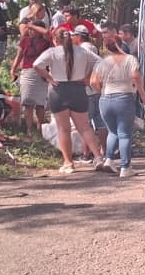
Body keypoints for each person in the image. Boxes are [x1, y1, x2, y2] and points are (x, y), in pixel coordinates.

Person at [34, 28, 105, 174]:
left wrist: (48, 78)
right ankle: (98, 157)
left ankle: (68, 162)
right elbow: (100, 61)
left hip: (58, 89)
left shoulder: (52, 52)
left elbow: (36, 64)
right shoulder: (81, 51)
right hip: (78, 89)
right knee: (85, 127)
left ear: (55, 39)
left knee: (63, 129)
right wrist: (87, 76)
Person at [91, 32, 145, 177]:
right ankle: (125, 167)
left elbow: (93, 82)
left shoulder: (102, 62)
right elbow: (136, 76)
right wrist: (143, 95)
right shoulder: (130, 59)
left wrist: (102, 90)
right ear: (121, 44)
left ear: (107, 47)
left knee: (113, 132)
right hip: (124, 98)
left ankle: (109, 160)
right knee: (124, 134)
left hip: (105, 99)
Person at [12, 0, 52, 138]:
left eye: (33, 29)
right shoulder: (25, 40)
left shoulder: (47, 41)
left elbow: (47, 33)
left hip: (41, 74)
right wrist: (13, 69)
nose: (31, 31)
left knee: (40, 103)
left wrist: (33, 24)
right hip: (27, 71)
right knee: (28, 103)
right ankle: (29, 129)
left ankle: (39, 126)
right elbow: (19, 56)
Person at [74, 26, 106, 158]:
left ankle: (86, 153)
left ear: (79, 36)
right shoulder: (92, 47)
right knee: (100, 123)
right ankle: (104, 150)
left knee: (85, 124)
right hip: (96, 89)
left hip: (87, 91)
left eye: (74, 35)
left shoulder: (83, 49)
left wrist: (85, 77)